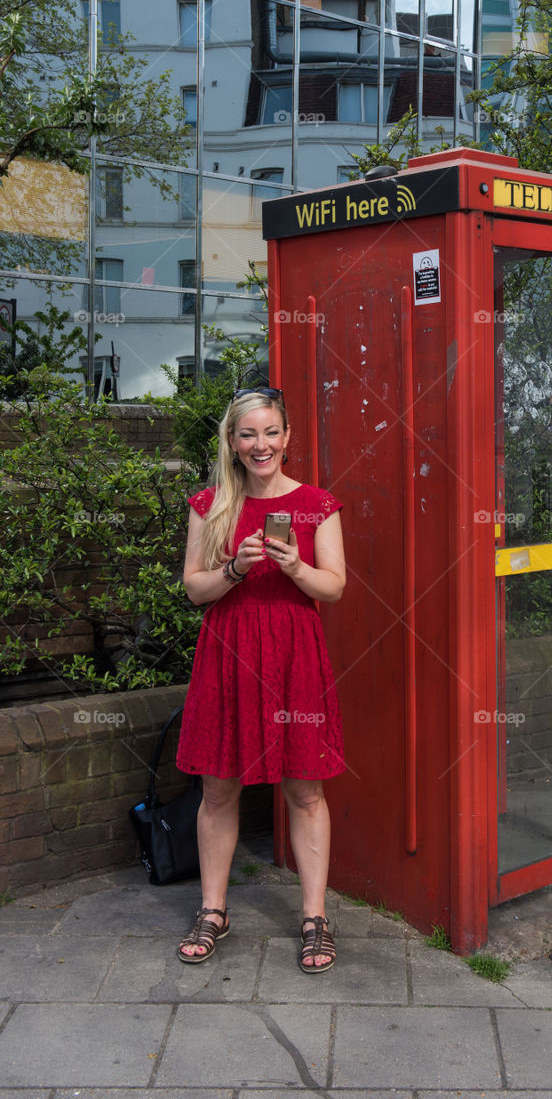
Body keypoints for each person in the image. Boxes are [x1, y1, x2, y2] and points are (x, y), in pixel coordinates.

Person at [175, 387, 346, 972]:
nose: (260, 444)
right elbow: (194, 589)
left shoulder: (317, 503)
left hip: (295, 654)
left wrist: (295, 565)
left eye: (270, 432)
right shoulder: (210, 504)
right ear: (232, 441)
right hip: (229, 650)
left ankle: (315, 917)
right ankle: (213, 909)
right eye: (248, 434)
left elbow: (336, 587)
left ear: (287, 437)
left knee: (305, 788)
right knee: (218, 787)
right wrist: (235, 568)